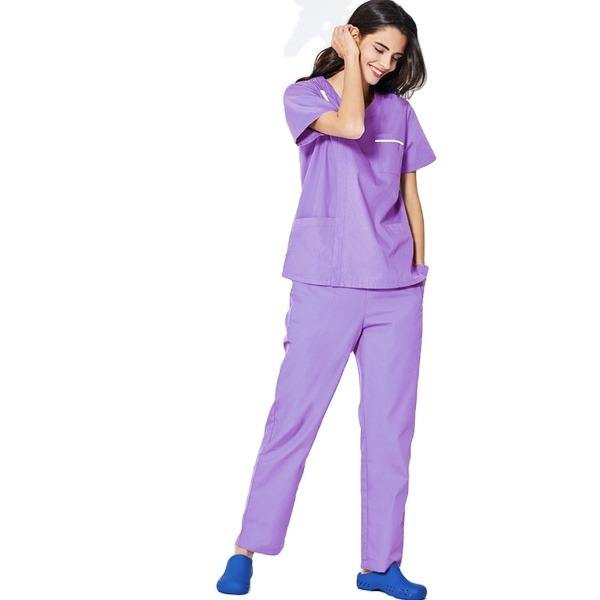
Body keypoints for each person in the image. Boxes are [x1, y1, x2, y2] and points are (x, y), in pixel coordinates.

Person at [216, 2, 436, 597]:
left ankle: (380, 565)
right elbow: (352, 126)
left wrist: (420, 269)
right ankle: (246, 549)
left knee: (390, 432)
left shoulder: (401, 112)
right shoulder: (305, 97)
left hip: (397, 292)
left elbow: (411, 196)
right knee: (293, 418)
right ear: (352, 37)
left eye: (396, 57)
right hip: (325, 284)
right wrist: (345, 62)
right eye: (378, 49)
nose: (386, 64)